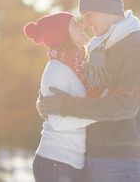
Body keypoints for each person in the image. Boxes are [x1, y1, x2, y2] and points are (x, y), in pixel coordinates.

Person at [38, 0, 140, 182]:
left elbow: (126, 105)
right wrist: (48, 103)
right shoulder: (96, 48)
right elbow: (80, 88)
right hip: (85, 156)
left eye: (88, 14)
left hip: (117, 160)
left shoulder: (138, 46)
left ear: (106, 10)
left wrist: (66, 106)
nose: (85, 23)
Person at [24, 12, 99, 182]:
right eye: (74, 24)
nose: (82, 26)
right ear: (63, 35)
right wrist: (97, 114)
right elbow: (58, 122)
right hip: (56, 162)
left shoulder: (78, 67)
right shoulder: (56, 70)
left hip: (70, 163)